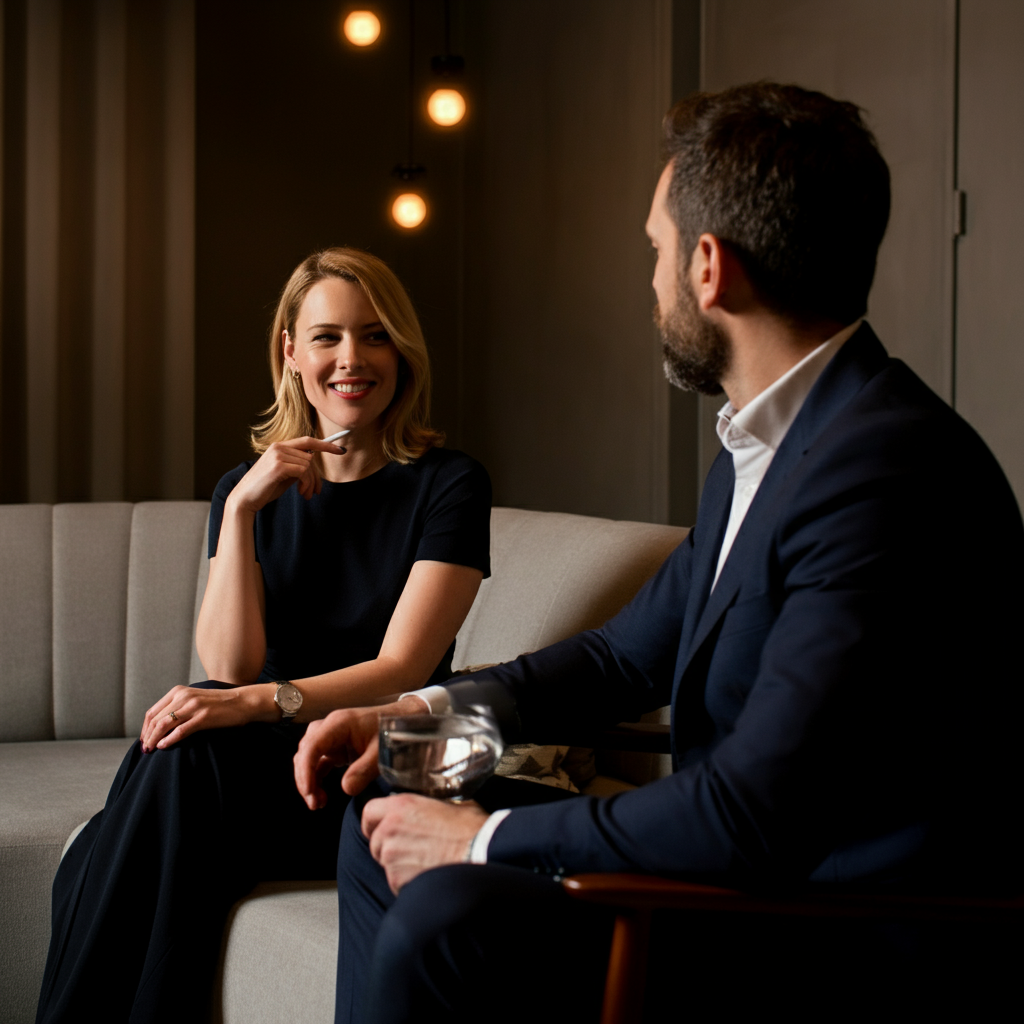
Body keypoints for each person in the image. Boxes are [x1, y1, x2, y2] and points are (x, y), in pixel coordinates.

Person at [293, 84, 1024, 1022]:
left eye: (656, 252)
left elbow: (748, 814)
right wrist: (420, 712)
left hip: (839, 934)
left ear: (710, 269)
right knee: (380, 818)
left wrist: (479, 840)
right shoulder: (768, 449)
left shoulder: (885, 470)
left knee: (449, 910)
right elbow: (621, 657)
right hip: (755, 886)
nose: (650, 281)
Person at [35, 248, 492, 1024]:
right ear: (290, 351)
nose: (352, 359)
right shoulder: (244, 491)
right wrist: (244, 509)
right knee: (156, 781)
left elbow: (401, 666)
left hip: (356, 764)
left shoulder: (449, 482)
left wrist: (255, 705)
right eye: (327, 337)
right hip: (245, 767)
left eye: (375, 336)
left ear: (402, 352)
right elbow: (231, 660)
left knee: (133, 813)